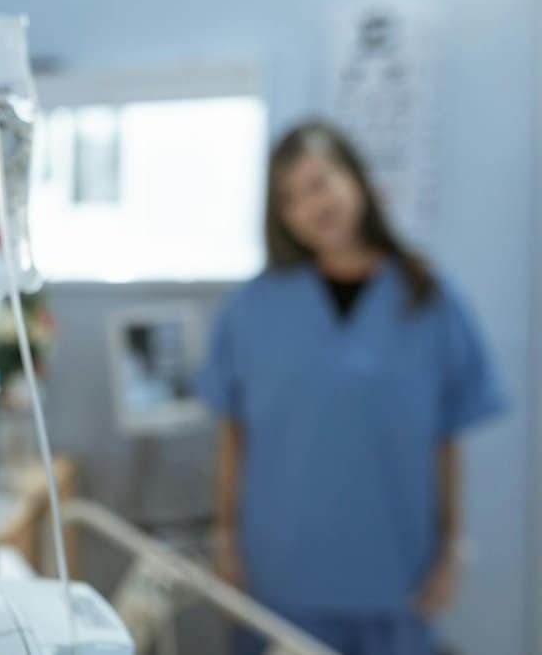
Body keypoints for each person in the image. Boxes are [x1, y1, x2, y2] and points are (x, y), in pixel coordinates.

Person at [196, 120, 505, 655]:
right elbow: (233, 436)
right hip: (280, 575)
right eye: (291, 198)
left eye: (319, 184)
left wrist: (452, 549)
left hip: (393, 573)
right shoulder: (252, 308)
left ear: (356, 180)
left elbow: (446, 440)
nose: (311, 206)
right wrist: (225, 540)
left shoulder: (428, 299)